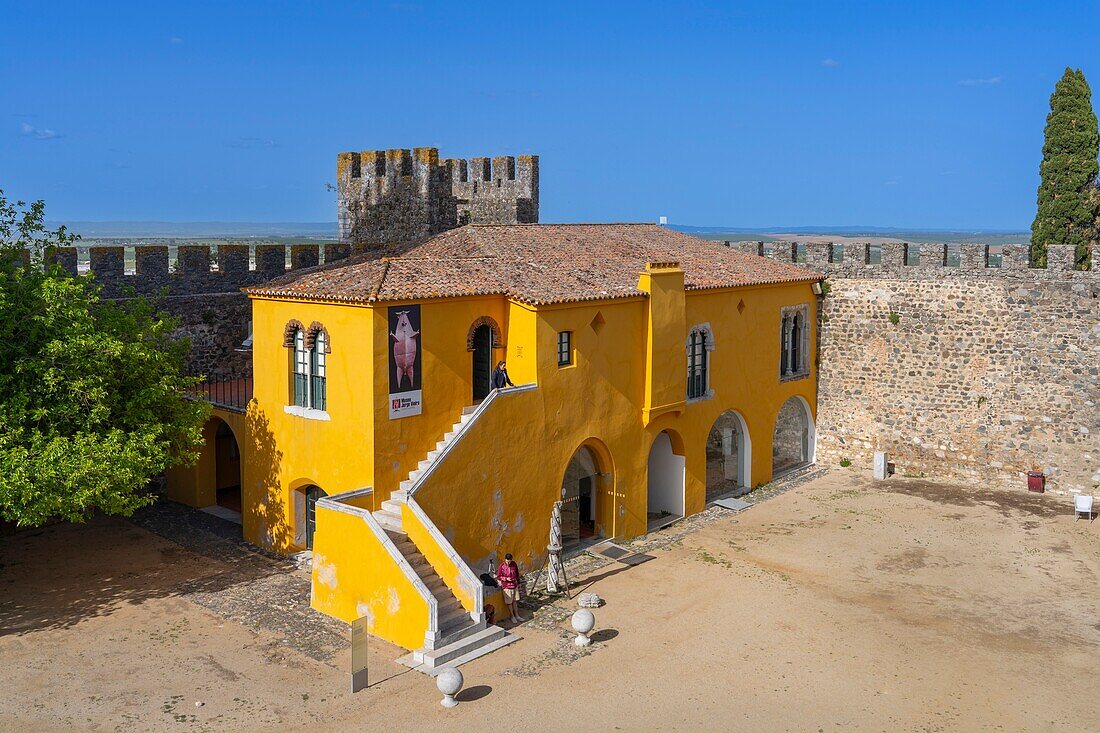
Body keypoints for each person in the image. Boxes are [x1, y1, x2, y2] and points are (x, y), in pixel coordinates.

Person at [496, 553, 521, 621]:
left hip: (514, 585)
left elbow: (517, 574)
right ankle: (512, 616)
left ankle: (517, 615)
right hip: (507, 586)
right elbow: (499, 577)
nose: (509, 562)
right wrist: (506, 579)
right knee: (509, 602)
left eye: (510, 561)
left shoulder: (514, 564)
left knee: (515, 601)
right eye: (507, 561)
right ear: (505, 559)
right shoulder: (501, 566)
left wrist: (518, 582)